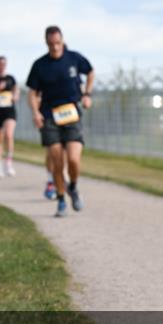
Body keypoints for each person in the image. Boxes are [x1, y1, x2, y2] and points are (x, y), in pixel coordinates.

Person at [26, 26, 94, 217]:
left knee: (73, 159)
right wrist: (35, 112)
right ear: (46, 43)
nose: (55, 48)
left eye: (58, 43)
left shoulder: (74, 58)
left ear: (62, 40)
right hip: (50, 117)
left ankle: (73, 186)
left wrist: (87, 94)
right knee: (57, 161)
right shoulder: (40, 65)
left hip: (72, 115)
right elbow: (31, 93)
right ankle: (61, 199)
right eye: (51, 44)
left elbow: (90, 71)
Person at [0, 55, 19, 178]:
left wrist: (15, 96)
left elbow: (16, 91)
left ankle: (9, 162)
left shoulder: (11, 78)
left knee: (9, 135)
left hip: (9, 110)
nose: (2, 66)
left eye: (4, 63)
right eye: (0, 63)